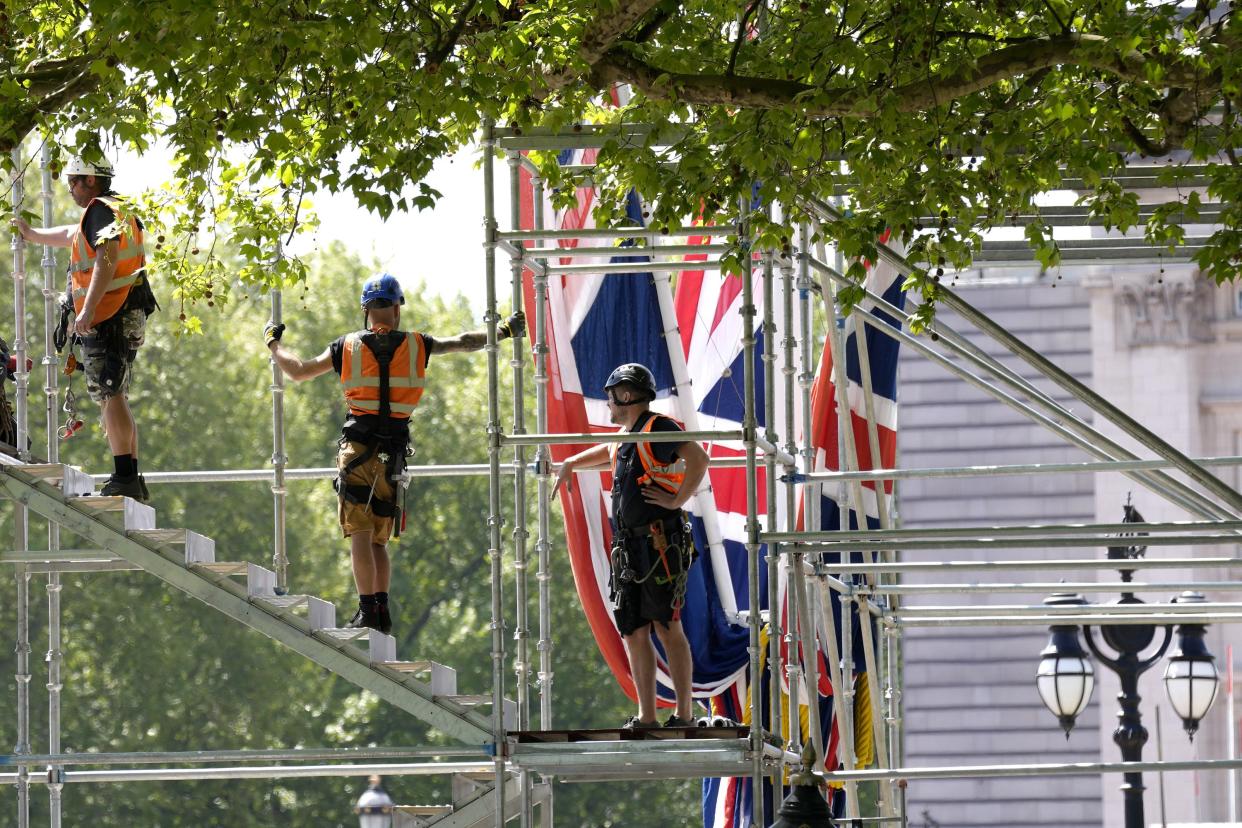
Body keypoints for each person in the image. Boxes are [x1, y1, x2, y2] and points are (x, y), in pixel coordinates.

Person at [265, 273, 524, 634]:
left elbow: (299, 371)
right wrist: (505, 331)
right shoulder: (419, 345)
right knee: (378, 538)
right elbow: (464, 341)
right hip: (394, 456)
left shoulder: (345, 347)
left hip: (357, 450)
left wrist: (273, 343)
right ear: (397, 308)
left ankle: (366, 609)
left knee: (358, 532)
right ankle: (381, 611)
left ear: (365, 312)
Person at [552, 362, 708, 729]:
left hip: (658, 545)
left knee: (667, 627)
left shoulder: (658, 428)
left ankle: (683, 715)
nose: (608, 404)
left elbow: (699, 459)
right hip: (629, 550)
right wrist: (572, 462)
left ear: (625, 394)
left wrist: (676, 501)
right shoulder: (627, 436)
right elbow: (607, 450)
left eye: (611, 396)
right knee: (633, 629)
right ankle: (647, 716)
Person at [12, 154, 157, 499]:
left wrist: (87, 309)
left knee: (110, 393)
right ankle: (130, 476)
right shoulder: (116, 210)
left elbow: (105, 258)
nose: (70, 188)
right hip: (126, 309)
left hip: (108, 315)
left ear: (90, 180)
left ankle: (125, 476)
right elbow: (73, 235)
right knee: (115, 392)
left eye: (73, 180)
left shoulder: (100, 210)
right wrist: (30, 233)